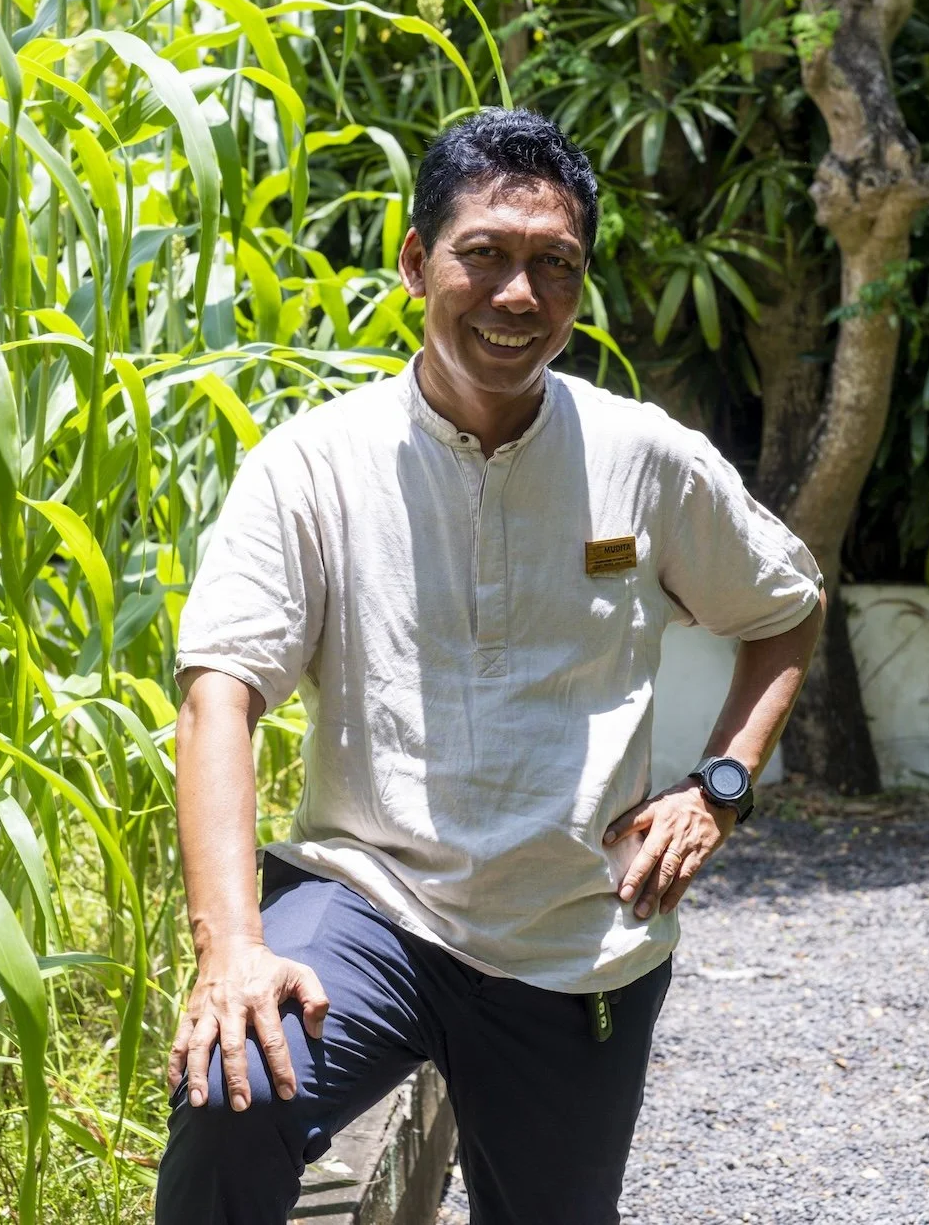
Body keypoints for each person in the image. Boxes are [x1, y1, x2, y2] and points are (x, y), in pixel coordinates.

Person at [154, 107, 826, 1225]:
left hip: (574, 933)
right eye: (485, 255)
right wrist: (230, 950)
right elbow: (220, 693)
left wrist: (720, 787)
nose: (520, 295)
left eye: (555, 265)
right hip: (371, 901)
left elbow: (787, 608)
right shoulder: (314, 465)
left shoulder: (644, 458)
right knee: (236, 1083)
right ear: (417, 262)